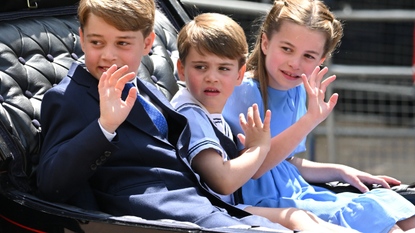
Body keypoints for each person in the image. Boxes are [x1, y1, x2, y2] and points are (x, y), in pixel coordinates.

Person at [36, 0, 296, 231]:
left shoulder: (144, 86)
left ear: (147, 43)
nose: (108, 55)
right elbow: (50, 183)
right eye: (96, 42)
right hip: (153, 214)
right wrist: (105, 126)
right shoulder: (67, 96)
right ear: (82, 38)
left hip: (201, 202)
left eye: (123, 42)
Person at [222, 0, 415, 233]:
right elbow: (255, 169)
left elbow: (287, 163)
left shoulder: (298, 90)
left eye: (309, 56)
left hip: (300, 191)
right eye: (286, 49)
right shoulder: (244, 90)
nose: (295, 63)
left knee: (398, 210)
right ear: (265, 42)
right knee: (379, 220)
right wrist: (309, 120)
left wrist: (341, 170)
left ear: (321, 60)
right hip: (266, 202)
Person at [171, 12, 358, 233]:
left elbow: (283, 163)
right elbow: (224, 181)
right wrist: (259, 147)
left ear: (238, 74)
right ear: (181, 69)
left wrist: (339, 170)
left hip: (230, 205)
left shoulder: (208, 110)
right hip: (222, 210)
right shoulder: (191, 113)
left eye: (223, 68)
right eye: (201, 67)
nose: (212, 77)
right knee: (303, 218)